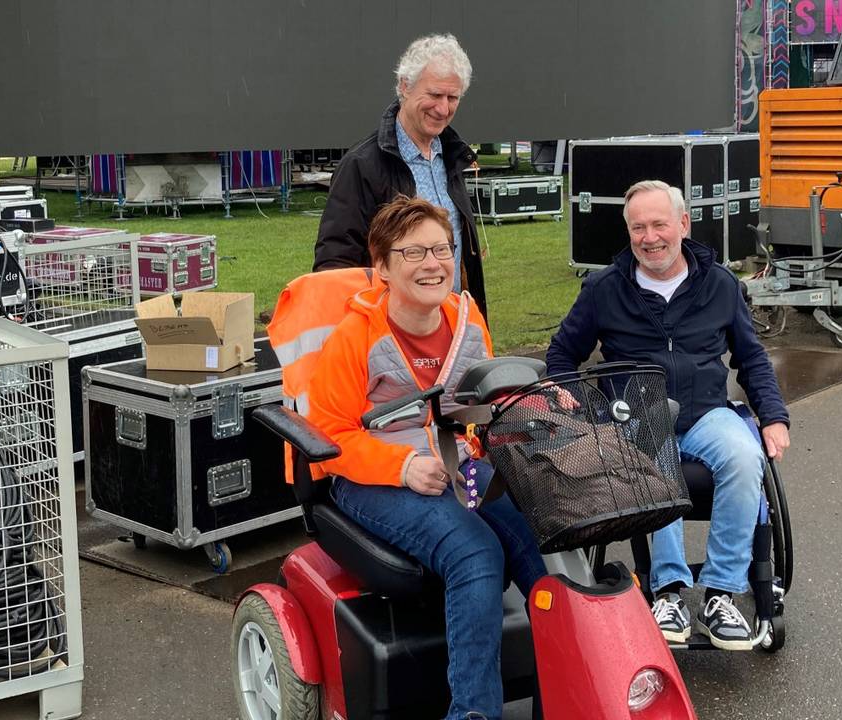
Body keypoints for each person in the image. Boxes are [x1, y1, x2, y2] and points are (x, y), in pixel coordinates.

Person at [308, 196, 545, 719]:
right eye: (412, 253)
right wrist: (401, 467)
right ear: (383, 268)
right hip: (372, 476)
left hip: (455, 462)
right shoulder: (355, 338)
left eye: (440, 248)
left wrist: (533, 406)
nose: (432, 263)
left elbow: (486, 400)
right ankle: (472, 712)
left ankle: (567, 689)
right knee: (476, 552)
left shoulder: (467, 320)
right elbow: (328, 436)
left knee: (542, 538)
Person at [545, 180, 791, 651]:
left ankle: (721, 593)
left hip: (706, 414)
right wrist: (567, 400)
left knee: (745, 456)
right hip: (637, 416)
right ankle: (670, 591)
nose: (649, 237)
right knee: (655, 449)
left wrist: (774, 416)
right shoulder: (604, 288)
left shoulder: (719, 284)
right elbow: (561, 355)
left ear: (683, 224)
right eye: (638, 227)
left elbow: (752, 359)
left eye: (659, 224)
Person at [313, 33, 489, 316]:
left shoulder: (453, 158)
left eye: (452, 97)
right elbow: (334, 268)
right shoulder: (361, 165)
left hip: (451, 331)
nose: (443, 108)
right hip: (387, 337)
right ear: (404, 86)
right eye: (434, 95)